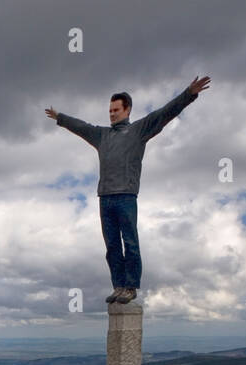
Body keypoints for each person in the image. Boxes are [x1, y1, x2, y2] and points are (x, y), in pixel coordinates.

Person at [46, 76, 210, 305]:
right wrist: (60, 118)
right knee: (112, 245)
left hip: (126, 196)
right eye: (110, 110)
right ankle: (119, 286)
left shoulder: (138, 131)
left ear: (127, 110)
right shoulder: (101, 135)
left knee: (130, 242)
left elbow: (164, 113)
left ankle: (131, 286)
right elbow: (81, 127)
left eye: (116, 110)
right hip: (105, 198)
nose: (111, 114)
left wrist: (189, 94)